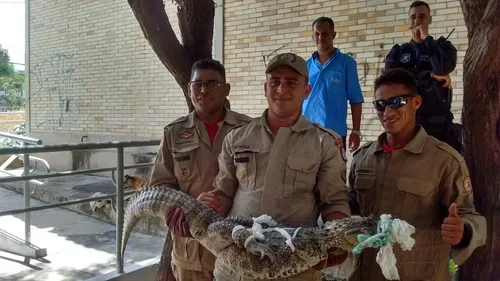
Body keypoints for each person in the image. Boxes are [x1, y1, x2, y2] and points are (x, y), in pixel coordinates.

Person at [193, 53, 351, 281]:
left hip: (296, 265)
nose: (281, 89)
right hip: (237, 263)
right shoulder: (236, 137)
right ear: (265, 88)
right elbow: (223, 193)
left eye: (291, 82)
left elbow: (334, 201)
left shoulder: (324, 142)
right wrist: (200, 213)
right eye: (275, 82)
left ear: (306, 91)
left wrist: (337, 238)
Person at [347, 68, 487, 281]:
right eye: (380, 104)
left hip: (420, 274)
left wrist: (463, 232)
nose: (388, 112)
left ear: (416, 102)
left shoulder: (445, 161)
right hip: (367, 273)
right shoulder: (363, 158)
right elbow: (350, 206)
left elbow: (471, 217)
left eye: (397, 102)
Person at [149, 58, 251, 281]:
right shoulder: (173, 133)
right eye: (198, 84)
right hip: (191, 249)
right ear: (189, 89)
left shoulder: (248, 130)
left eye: (213, 83)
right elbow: (160, 187)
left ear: (226, 89)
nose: (204, 90)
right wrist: (189, 207)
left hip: (239, 244)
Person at [384, 0, 462, 153]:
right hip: (406, 123)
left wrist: (427, 39)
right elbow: (389, 82)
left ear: (429, 20)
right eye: (413, 17)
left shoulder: (443, 47)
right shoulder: (398, 52)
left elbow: (442, 67)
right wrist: (429, 74)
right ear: (409, 21)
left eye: (422, 17)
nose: (417, 21)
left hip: (437, 123)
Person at [302, 16, 364, 153]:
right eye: (317, 34)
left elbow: (356, 100)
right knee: (306, 172)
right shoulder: (306, 66)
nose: (320, 37)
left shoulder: (347, 63)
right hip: (307, 132)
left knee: (334, 173)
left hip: (335, 134)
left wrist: (356, 131)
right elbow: (299, 99)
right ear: (313, 37)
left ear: (333, 35)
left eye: (325, 33)